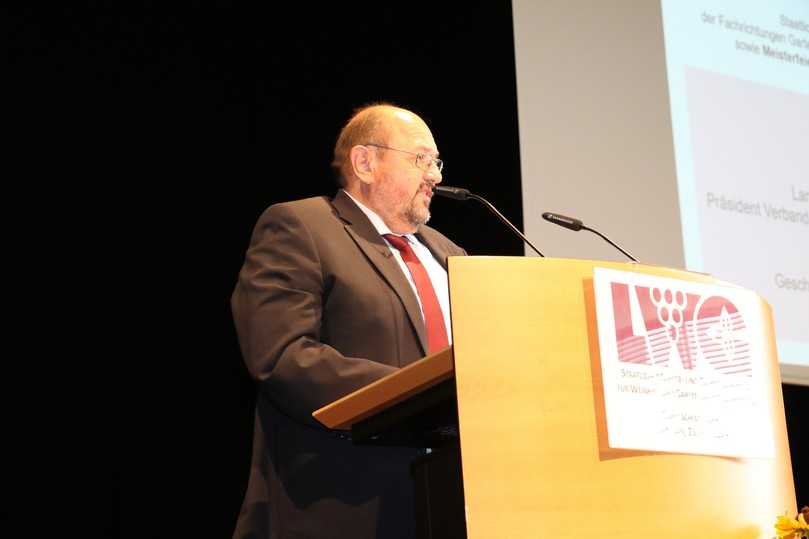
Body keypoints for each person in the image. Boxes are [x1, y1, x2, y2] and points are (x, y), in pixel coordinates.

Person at [231, 103, 466, 538]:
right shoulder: (302, 227)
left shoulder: (451, 255)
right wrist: (415, 393)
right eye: (421, 159)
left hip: (453, 500)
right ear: (365, 162)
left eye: (436, 162)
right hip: (344, 503)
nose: (435, 175)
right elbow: (282, 356)